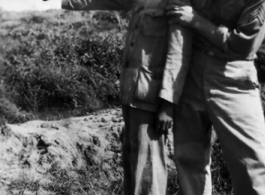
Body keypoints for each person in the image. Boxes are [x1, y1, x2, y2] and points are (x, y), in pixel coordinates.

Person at [43, 0, 193, 194]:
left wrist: (168, 102)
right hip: (132, 94)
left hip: (152, 100)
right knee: (132, 169)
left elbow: (178, 52)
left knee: (147, 172)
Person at [166, 0, 265, 194]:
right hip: (191, 71)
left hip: (233, 76)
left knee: (252, 163)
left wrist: (195, 20)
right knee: (189, 159)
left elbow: (244, 45)